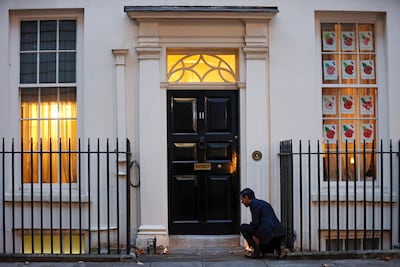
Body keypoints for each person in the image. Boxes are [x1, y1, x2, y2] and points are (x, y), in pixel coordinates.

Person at [240, 188, 286, 259]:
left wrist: (251, 225)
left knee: (243, 227)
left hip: (268, 233)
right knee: (264, 229)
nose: (242, 202)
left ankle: (257, 252)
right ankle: (279, 251)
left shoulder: (254, 205)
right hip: (277, 231)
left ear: (246, 197)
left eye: (242, 199)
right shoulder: (263, 203)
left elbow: (255, 224)